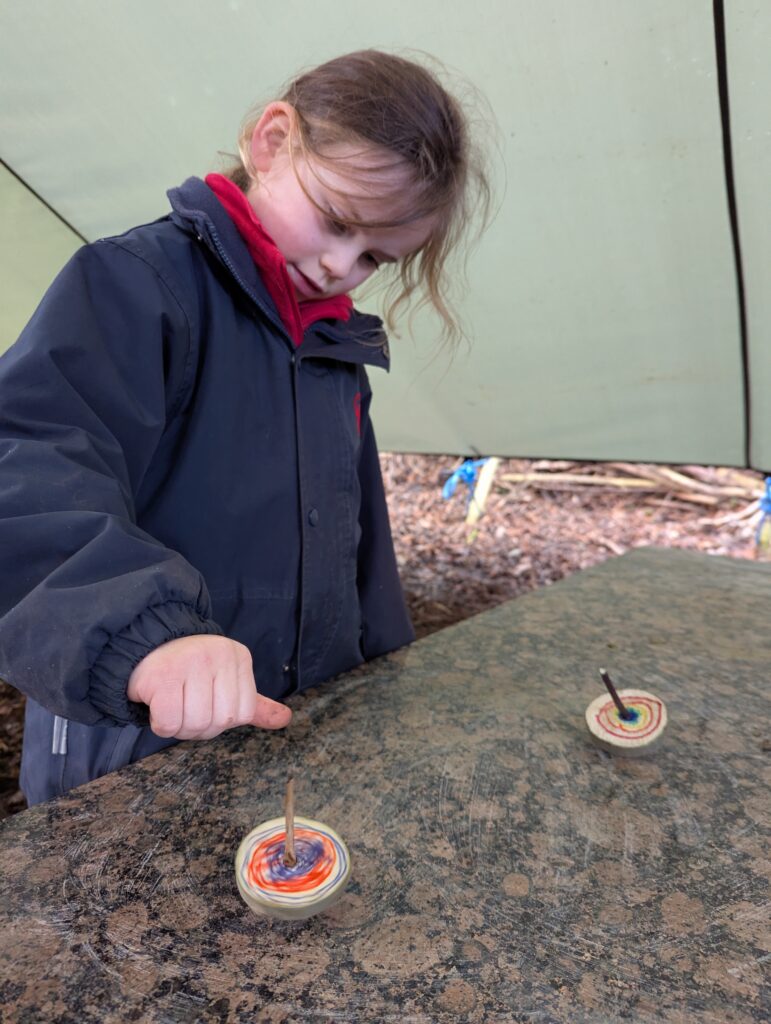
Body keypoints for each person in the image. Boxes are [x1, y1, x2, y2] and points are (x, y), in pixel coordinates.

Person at [0, 49, 490, 805]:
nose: (339, 267)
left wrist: (385, 683)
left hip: (283, 746)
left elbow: (359, 548)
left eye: (373, 258)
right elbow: (27, 464)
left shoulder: (334, 350)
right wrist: (147, 638)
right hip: (129, 753)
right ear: (271, 142)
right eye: (335, 222)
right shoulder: (136, 286)